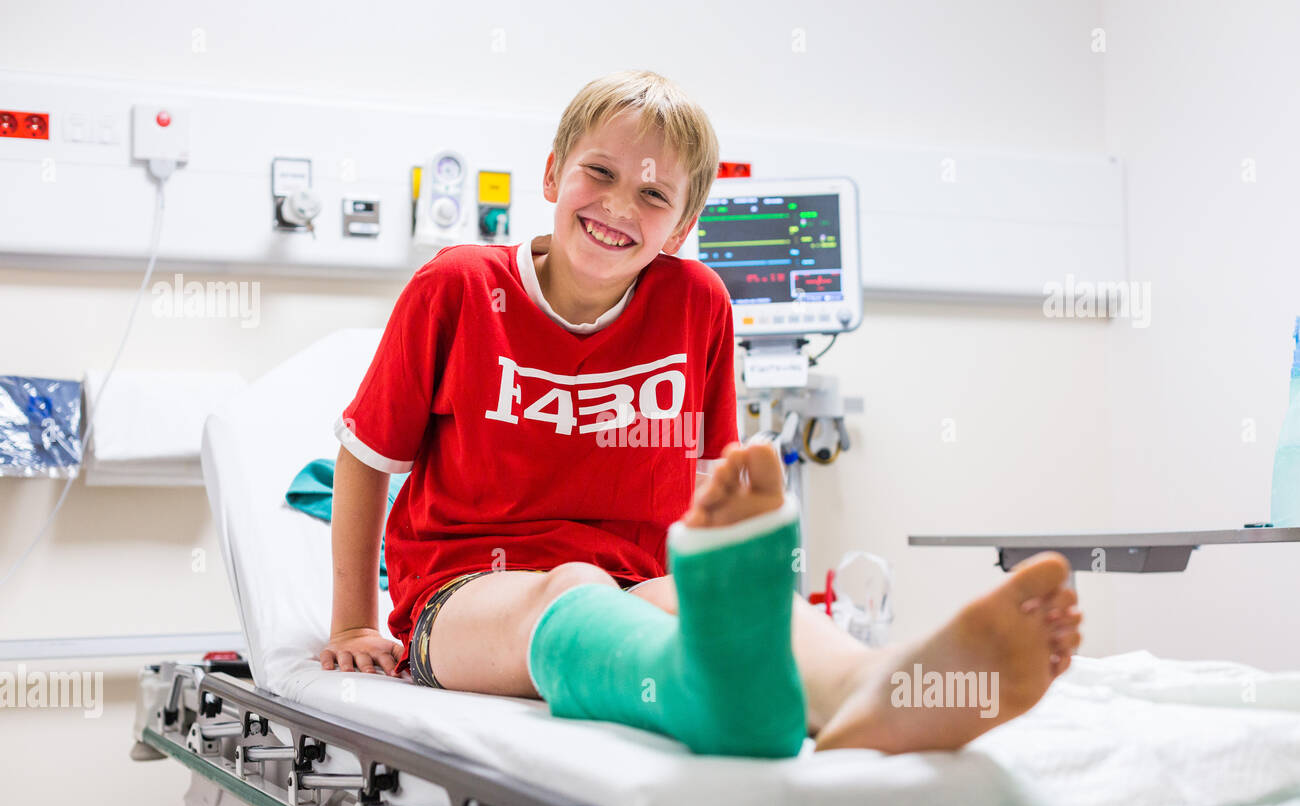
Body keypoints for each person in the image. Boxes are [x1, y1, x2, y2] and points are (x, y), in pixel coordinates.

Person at [323, 70, 1083, 757]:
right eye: (599, 172)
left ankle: (876, 684)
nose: (620, 206)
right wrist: (356, 622)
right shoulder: (459, 288)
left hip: (635, 580)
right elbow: (365, 456)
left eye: (654, 195)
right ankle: (706, 697)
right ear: (553, 174)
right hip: (463, 598)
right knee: (571, 587)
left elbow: (708, 480)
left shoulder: (696, 304)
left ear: (683, 226)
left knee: (730, 610)